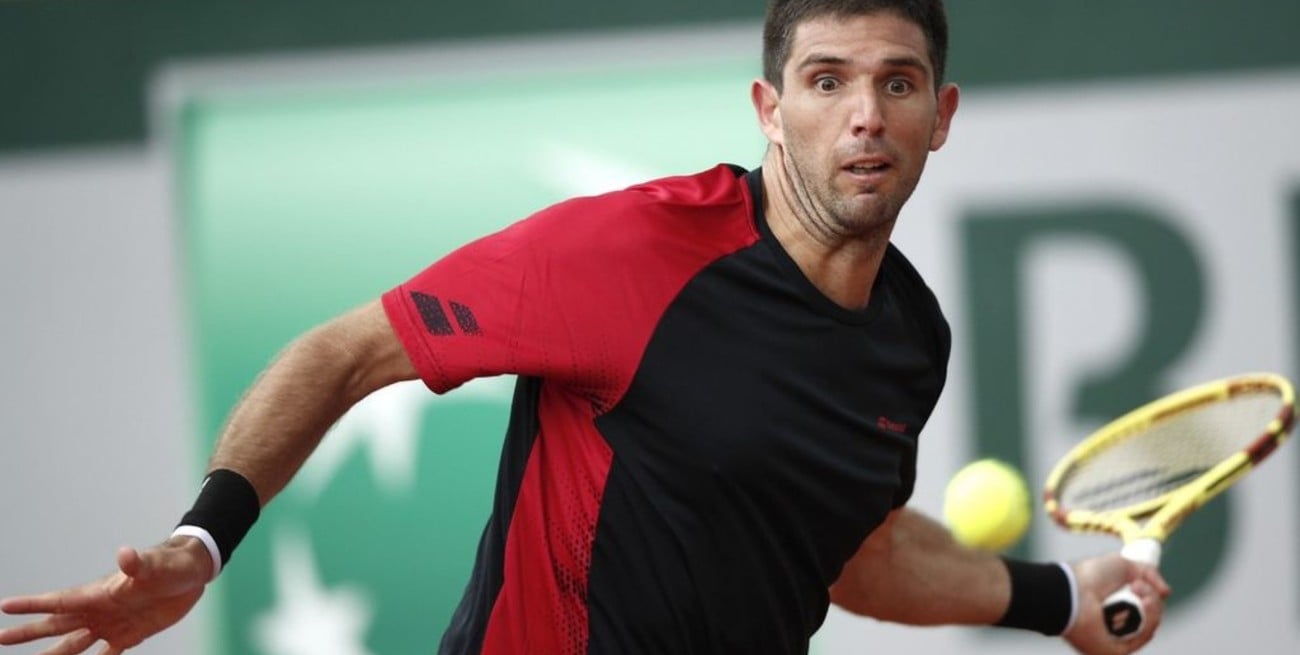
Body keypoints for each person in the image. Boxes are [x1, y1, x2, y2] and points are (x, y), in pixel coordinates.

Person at [0, 1, 1169, 654]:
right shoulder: (635, 251)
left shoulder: (908, 339)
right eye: (826, 81)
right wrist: (202, 542)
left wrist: (1061, 602)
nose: (864, 116)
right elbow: (344, 352)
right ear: (770, 110)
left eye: (896, 83)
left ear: (940, 116)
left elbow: (850, 548)